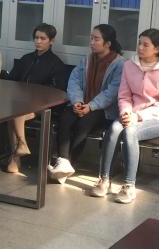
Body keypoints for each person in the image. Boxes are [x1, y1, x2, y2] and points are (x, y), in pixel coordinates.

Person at [90, 29, 159, 204]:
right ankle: (104, 179)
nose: (140, 48)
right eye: (139, 43)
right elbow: (124, 95)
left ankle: (129, 185)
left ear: (157, 48)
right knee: (114, 129)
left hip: (158, 117)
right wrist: (126, 112)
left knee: (130, 132)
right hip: (130, 114)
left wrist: (137, 116)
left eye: (146, 45)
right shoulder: (129, 65)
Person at [49, 25, 125, 184]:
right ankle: (63, 162)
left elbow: (112, 92)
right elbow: (74, 81)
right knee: (65, 119)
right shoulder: (87, 59)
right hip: (82, 103)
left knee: (84, 124)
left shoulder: (119, 64)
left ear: (108, 43)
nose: (91, 42)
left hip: (103, 109)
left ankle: (68, 163)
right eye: (91, 38)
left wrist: (91, 106)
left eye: (96, 39)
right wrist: (77, 101)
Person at [2, 23, 65, 174]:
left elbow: (56, 90)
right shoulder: (26, 59)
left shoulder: (56, 64)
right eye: (36, 38)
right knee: (14, 112)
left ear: (51, 41)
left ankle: (16, 155)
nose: (38, 41)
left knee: (15, 113)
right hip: (21, 104)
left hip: (42, 106)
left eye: (43, 38)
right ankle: (19, 149)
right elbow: (12, 80)